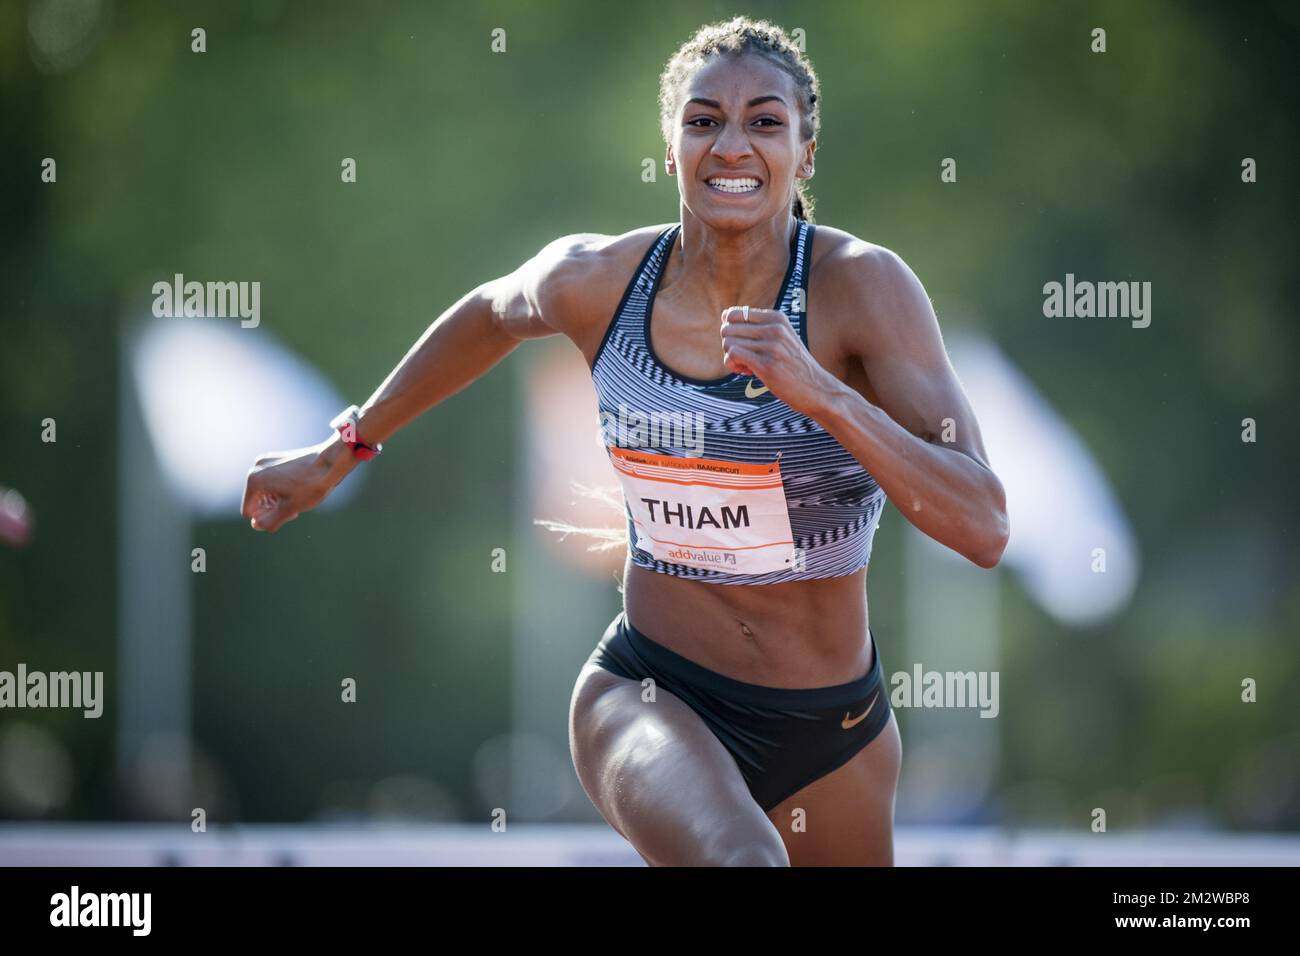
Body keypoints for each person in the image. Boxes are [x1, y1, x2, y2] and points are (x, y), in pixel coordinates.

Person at [242, 16, 1008, 867]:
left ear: (806, 152)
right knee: (743, 862)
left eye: (764, 122)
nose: (731, 145)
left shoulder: (861, 289)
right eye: (703, 119)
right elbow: (490, 315)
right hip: (650, 692)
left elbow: (982, 524)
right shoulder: (603, 282)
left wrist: (822, 394)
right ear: (670, 143)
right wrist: (338, 450)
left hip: (836, 726)